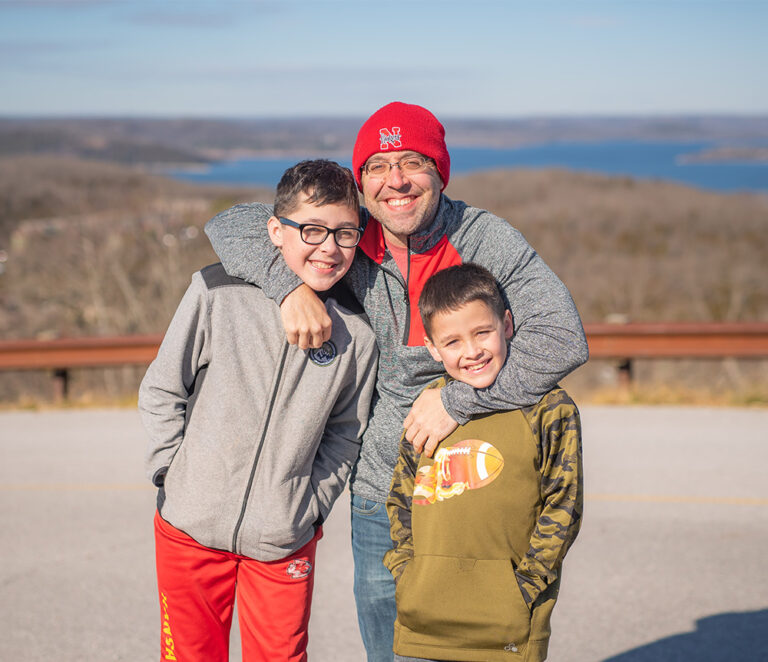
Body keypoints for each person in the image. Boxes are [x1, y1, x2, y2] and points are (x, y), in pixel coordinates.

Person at [204, 101, 588, 662]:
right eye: (379, 167)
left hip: (477, 486)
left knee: (484, 649)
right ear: (361, 184)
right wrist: (288, 288)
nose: (397, 180)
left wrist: (457, 400)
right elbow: (230, 224)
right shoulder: (349, 239)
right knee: (391, 652)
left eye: (413, 162)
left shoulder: (484, 238)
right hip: (380, 495)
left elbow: (562, 338)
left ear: (440, 173)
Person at [138, 159, 378, 662]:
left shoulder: (356, 332)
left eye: (345, 233)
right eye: (311, 230)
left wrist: (307, 508)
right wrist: (170, 473)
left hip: (282, 538)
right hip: (189, 528)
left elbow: (346, 432)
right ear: (275, 230)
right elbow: (163, 387)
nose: (329, 247)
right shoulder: (215, 292)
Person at [385, 263, 583, 662]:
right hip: (425, 615)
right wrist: (406, 571)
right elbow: (401, 498)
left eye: (482, 333)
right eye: (453, 342)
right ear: (433, 349)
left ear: (507, 325)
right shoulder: (429, 407)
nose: (472, 351)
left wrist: (524, 587)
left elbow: (563, 505)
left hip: (506, 620)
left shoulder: (548, 407)